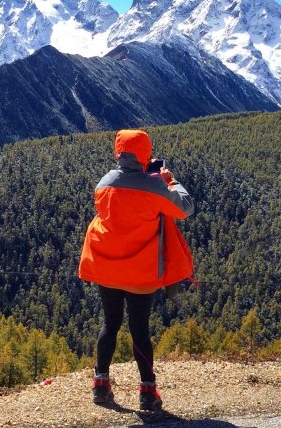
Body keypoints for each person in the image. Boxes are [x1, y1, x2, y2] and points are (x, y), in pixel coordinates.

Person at [78, 129, 195, 412]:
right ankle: (147, 391)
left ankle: (101, 384)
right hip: (140, 274)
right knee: (139, 329)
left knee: (110, 324)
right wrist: (170, 179)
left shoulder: (104, 184)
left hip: (107, 267)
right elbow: (185, 208)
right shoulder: (154, 187)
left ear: (118, 152)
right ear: (145, 153)